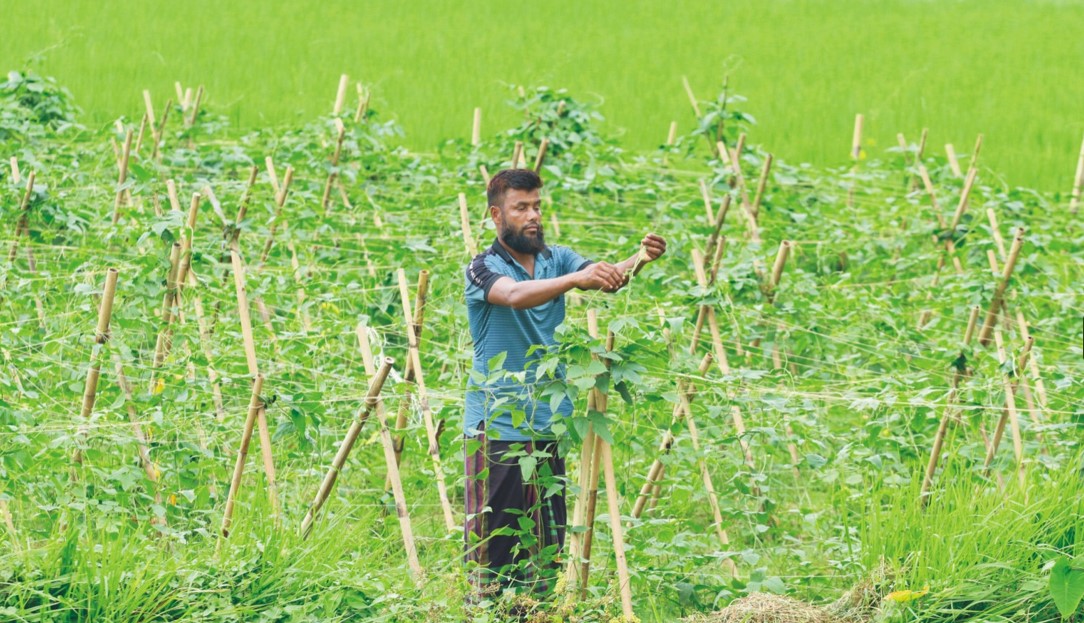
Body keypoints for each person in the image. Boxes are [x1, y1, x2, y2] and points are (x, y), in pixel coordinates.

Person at [463, 168, 666, 601]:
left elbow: (605, 278)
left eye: (537, 205)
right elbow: (515, 295)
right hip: (498, 424)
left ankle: (536, 609)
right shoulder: (483, 268)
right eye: (521, 208)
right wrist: (576, 279)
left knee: (545, 544)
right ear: (496, 215)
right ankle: (484, 611)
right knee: (494, 545)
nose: (533, 215)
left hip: (549, 422)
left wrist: (637, 260)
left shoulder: (557, 258)